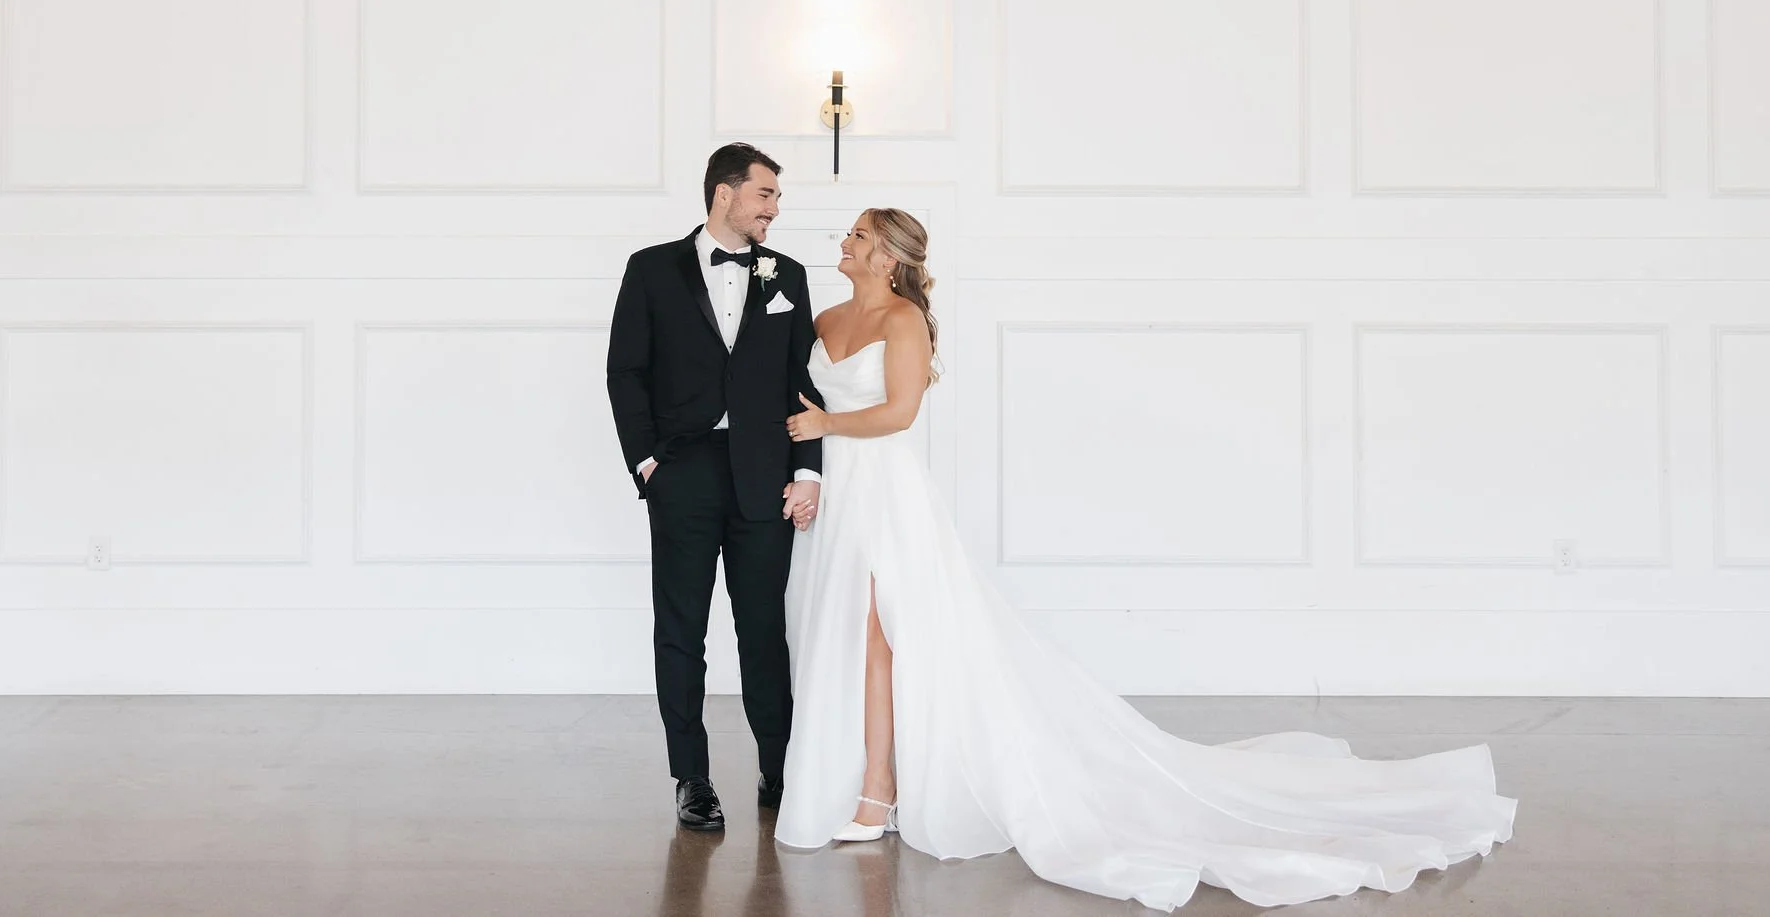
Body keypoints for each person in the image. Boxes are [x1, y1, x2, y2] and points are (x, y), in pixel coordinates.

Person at [774, 208, 1517, 911]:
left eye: (860, 233)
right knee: (844, 635)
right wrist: (807, 467)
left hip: (889, 492)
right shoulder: (827, 318)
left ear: (889, 256)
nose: (845, 239)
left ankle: (882, 788)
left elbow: (900, 412)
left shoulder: (903, 321)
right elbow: (797, 407)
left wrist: (828, 420)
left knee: (885, 632)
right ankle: (868, 778)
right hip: (837, 492)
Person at [606, 143, 826, 832]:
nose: (775, 208)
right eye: (766, 194)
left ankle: (778, 766)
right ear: (726, 193)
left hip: (765, 475)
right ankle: (692, 777)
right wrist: (647, 464)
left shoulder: (786, 273)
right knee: (681, 630)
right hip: (684, 472)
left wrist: (807, 470)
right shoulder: (650, 269)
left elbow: (803, 380)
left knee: (764, 628)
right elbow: (625, 373)